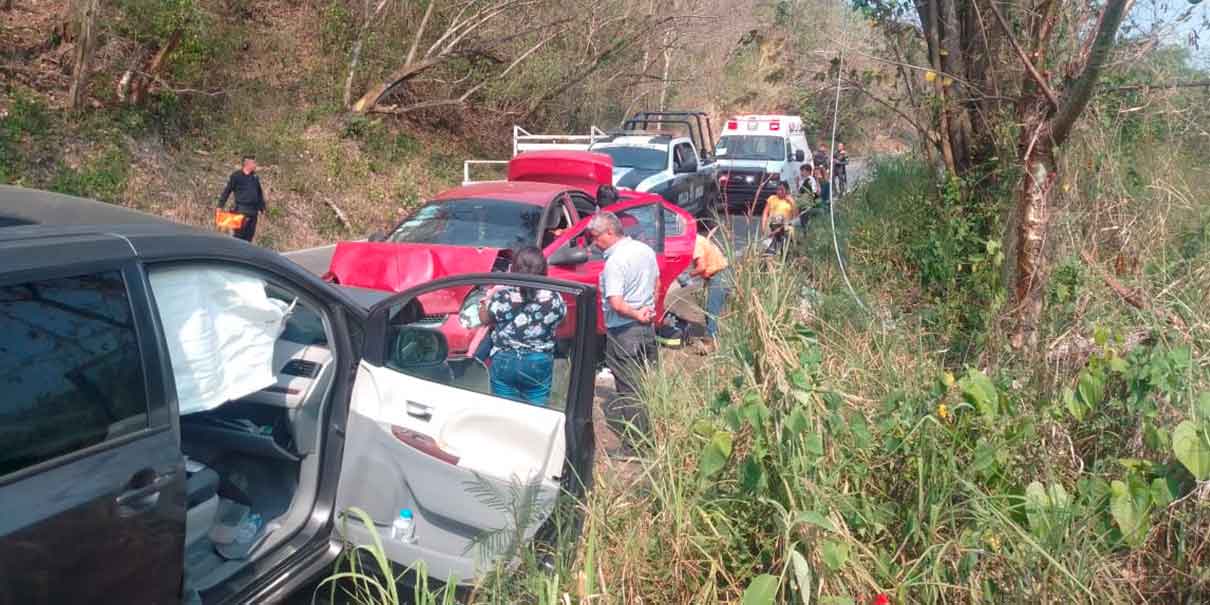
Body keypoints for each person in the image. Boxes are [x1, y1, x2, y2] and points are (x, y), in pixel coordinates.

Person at [590, 211, 658, 454]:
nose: (594, 242)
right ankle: (653, 432)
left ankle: (637, 446)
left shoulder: (615, 262)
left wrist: (635, 314)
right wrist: (648, 311)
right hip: (646, 329)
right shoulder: (644, 250)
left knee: (629, 388)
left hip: (624, 331)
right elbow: (656, 282)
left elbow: (616, 303)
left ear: (610, 232)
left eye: (596, 236)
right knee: (644, 383)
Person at [478, 246, 567, 406]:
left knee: (505, 410)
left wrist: (485, 301)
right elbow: (562, 322)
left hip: (505, 358)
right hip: (538, 359)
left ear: (514, 268)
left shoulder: (503, 296)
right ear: (543, 270)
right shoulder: (554, 297)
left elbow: (485, 319)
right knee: (537, 410)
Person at [690, 230, 730, 352]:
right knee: (710, 309)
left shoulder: (696, 243)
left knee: (712, 310)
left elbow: (701, 266)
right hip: (719, 274)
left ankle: (709, 344)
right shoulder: (700, 239)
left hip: (719, 275)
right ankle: (711, 339)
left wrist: (689, 274)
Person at [217, 155, 266, 242]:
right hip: (241, 211)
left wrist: (262, 208)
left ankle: (246, 255)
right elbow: (227, 191)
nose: (255, 165)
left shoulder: (255, 177)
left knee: (249, 237)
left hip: (253, 212)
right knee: (239, 237)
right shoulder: (236, 176)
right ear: (247, 164)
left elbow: (259, 193)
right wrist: (220, 206)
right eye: (254, 163)